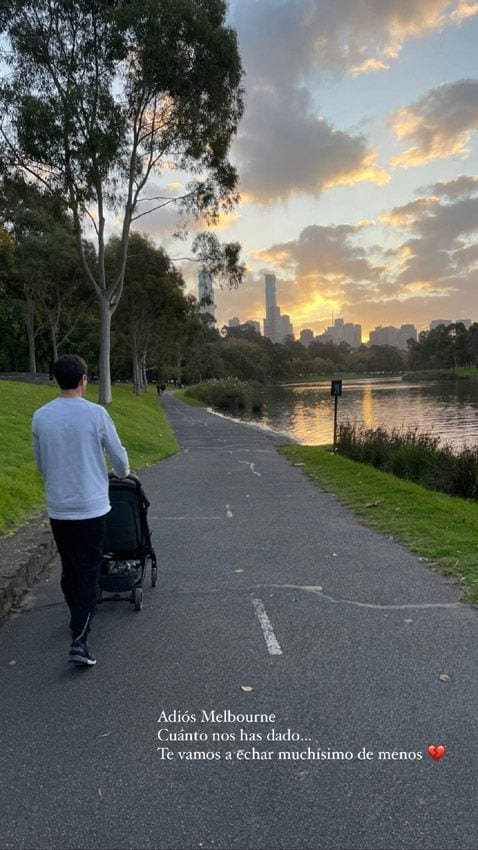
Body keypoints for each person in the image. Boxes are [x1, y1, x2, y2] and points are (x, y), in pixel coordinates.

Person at [32, 354, 129, 667]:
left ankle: (77, 614)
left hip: (60, 505)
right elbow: (118, 455)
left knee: (71, 565)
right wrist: (123, 473)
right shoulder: (95, 414)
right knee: (88, 567)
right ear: (84, 380)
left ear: (57, 379)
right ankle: (80, 638)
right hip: (91, 505)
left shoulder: (41, 416)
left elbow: (40, 463)